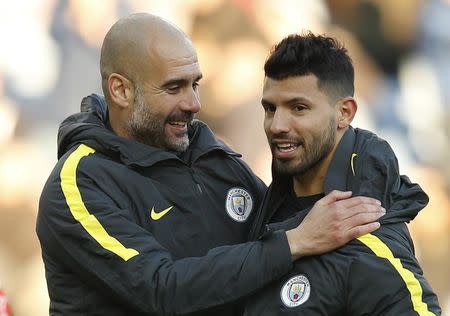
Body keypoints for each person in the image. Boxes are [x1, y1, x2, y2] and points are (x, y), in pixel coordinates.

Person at [36, 14, 385, 315]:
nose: (193, 103)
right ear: (121, 91)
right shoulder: (80, 183)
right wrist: (295, 242)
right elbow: (160, 290)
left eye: (195, 84)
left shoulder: (205, 149)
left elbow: (271, 231)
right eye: (174, 88)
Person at [244, 33, 441, 315]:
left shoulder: (366, 236)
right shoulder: (265, 201)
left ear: (344, 113)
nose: (277, 125)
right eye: (270, 108)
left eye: (298, 108)